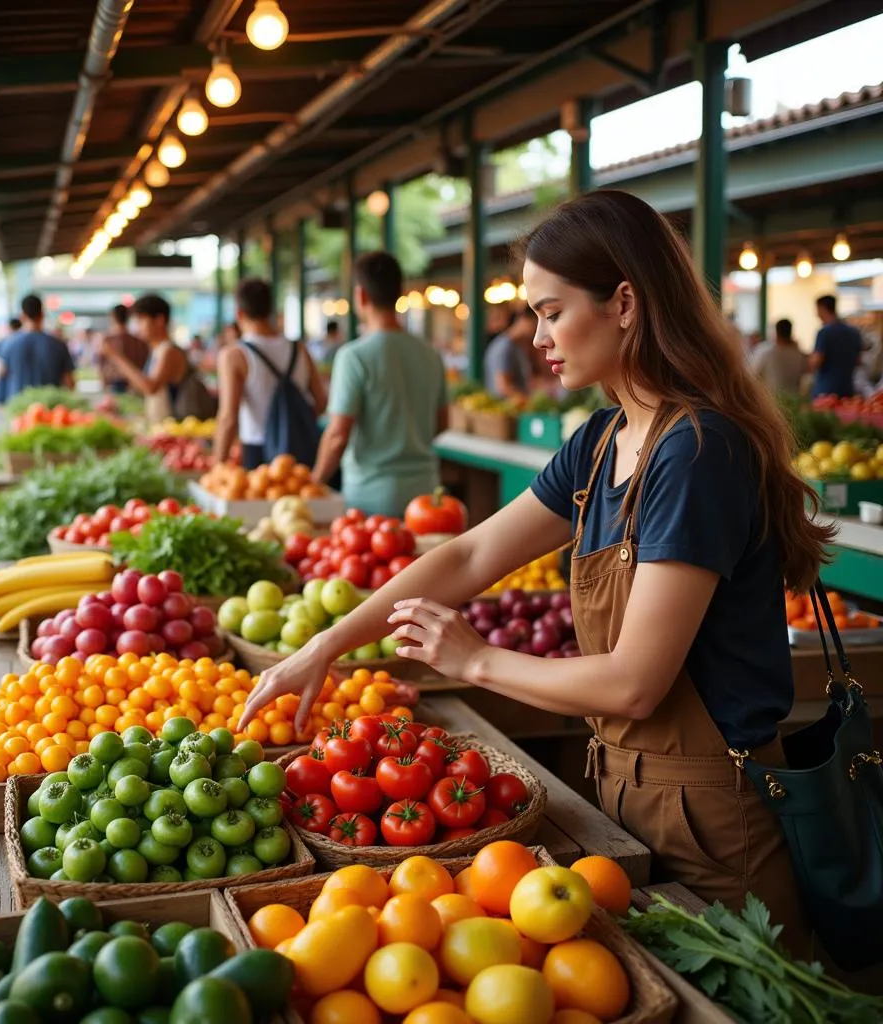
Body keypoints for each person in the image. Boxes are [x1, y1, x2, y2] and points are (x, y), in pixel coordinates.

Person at [243, 190, 832, 956]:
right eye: (533, 314)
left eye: (551, 312)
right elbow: (468, 555)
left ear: (624, 303)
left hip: (716, 815)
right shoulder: (602, 439)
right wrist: (324, 646)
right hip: (625, 784)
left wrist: (476, 659)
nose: (535, 337)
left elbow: (634, 683)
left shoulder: (697, 454)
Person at [311, 251, 448, 516]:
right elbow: (442, 423)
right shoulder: (430, 354)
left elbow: (338, 435)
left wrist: (314, 482)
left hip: (371, 497)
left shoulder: (354, 356)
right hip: (426, 494)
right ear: (400, 293)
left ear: (361, 295)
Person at [214, 278, 326, 468]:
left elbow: (228, 418)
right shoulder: (298, 349)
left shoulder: (234, 355)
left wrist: (217, 466)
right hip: (302, 446)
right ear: (270, 310)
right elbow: (321, 401)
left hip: (258, 449)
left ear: (239, 313)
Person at [99, 294, 194, 425]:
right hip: (159, 425)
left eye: (141, 320)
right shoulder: (156, 351)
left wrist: (116, 356)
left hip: (173, 427)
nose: (137, 327)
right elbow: (143, 388)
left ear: (159, 320)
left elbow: (150, 388)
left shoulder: (170, 351)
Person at [0, 294, 75, 400]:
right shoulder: (58, 345)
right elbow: (69, 382)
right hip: (50, 410)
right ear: (42, 314)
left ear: (22, 316)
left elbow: (2, 373)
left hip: (19, 408)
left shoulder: (8, 344)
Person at [810, 295, 861, 398]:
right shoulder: (853, 332)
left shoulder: (824, 333)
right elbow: (858, 361)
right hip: (847, 389)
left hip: (825, 391)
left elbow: (816, 362)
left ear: (822, 308)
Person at [484, 305, 537, 401]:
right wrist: (529, 402)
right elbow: (504, 387)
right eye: (536, 324)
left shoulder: (516, 346)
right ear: (525, 320)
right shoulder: (504, 347)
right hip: (505, 408)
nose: (537, 331)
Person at [98, 304, 149, 395]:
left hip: (115, 385)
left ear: (112, 317)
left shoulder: (108, 341)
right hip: (136, 385)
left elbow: (102, 365)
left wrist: (104, 383)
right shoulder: (139, 341)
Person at [752, 319, 807, 396]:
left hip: (773, 399)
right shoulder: (799, 354)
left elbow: (753, 374)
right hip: (793, 399)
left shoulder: (767, 353)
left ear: (776, 333)